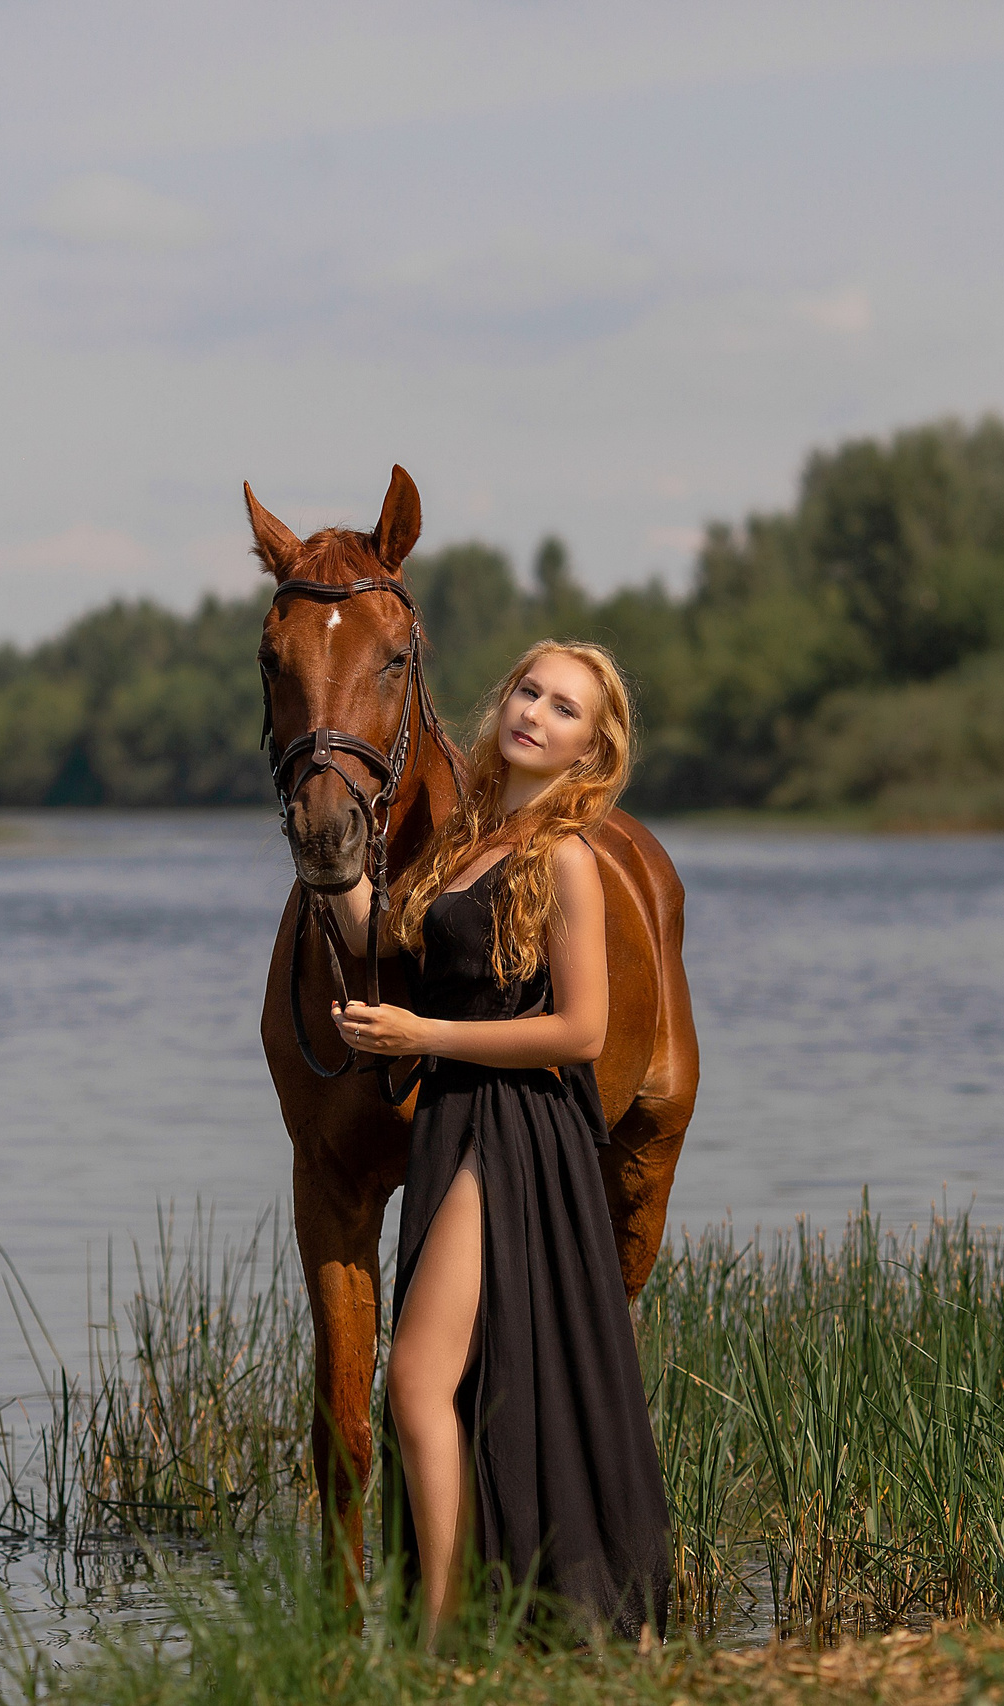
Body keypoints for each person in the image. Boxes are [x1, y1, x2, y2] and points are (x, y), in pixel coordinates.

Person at [324, 639, 670, 1643]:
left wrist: (422, 1035)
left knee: (417, 1380)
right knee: (465, 1381)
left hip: (515, 1127)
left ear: (589, 749)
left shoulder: (563, 853)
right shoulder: (469, 841)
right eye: (528, 690)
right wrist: (331, 853)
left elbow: (583, 1032)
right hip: (456, 1121)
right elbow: (380, 936)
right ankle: (468, 1620)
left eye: (565, 708)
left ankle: (440, 1633)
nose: (535, 713)